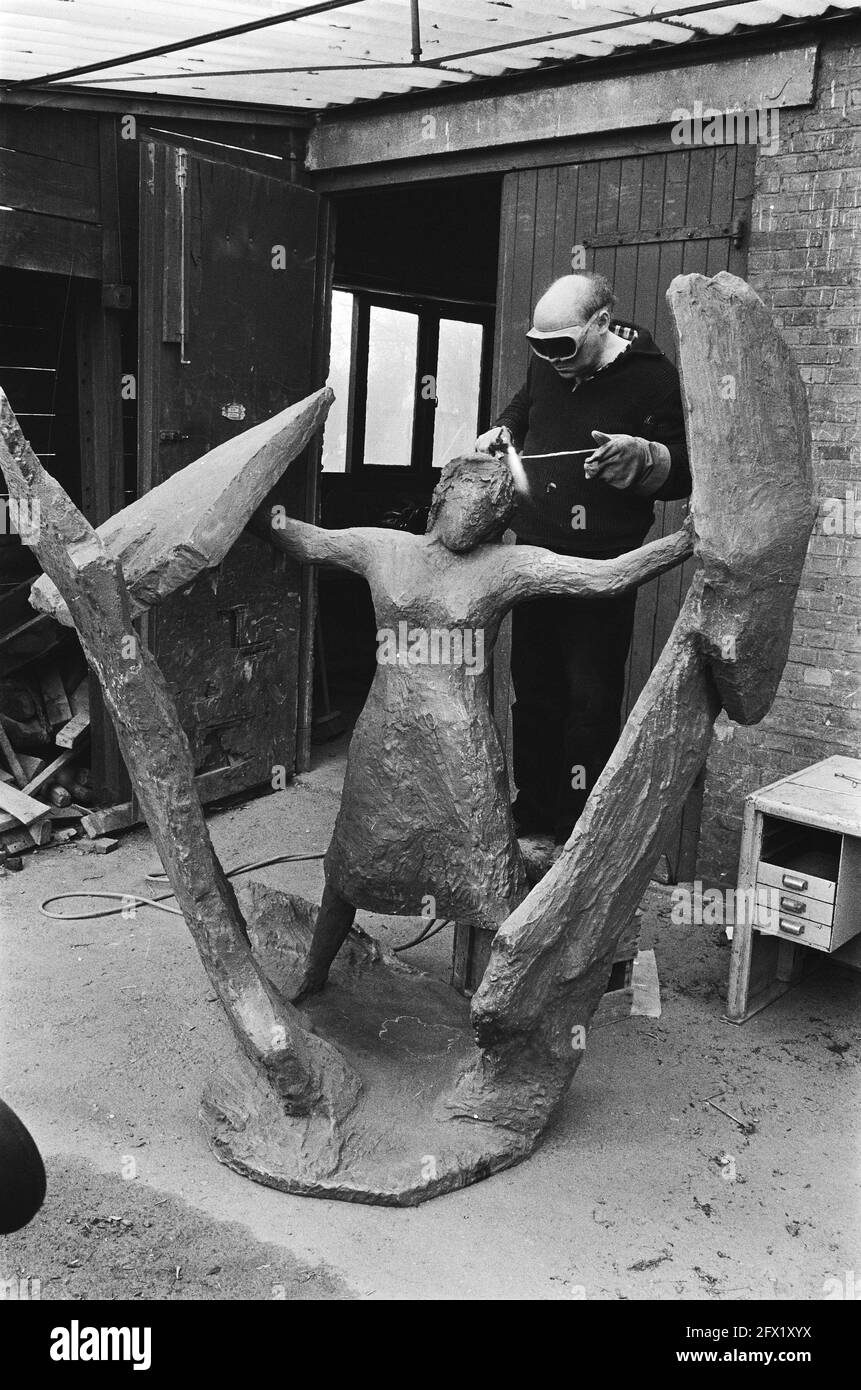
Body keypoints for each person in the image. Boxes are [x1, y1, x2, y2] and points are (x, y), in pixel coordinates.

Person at [258, 453, 692, 999]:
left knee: (489, 877)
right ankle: (315, 970)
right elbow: (306, 540)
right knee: (351, 863)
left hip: (461, 745)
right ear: (442, 497)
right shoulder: (384, 548)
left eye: (494, 511)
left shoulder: (504, 567)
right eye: (471, 501)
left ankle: (505, 1004)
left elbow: (603, 578)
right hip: (385, 735)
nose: (478, 517)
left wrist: (683, 541)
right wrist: (246, 495)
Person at [476, 272, 691, 845]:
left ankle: (579, 828)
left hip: (601, 569)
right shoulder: (549, 361)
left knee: (589, 701)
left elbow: (687, 470)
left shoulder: (654, 380)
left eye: (562, 346)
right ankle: (533, 812)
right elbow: (526, 406)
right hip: (535, 561)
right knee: (535, 694)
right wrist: (503, 429)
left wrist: (648, 460)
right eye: (539, 347)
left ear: (601, 323)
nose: (551, 358)